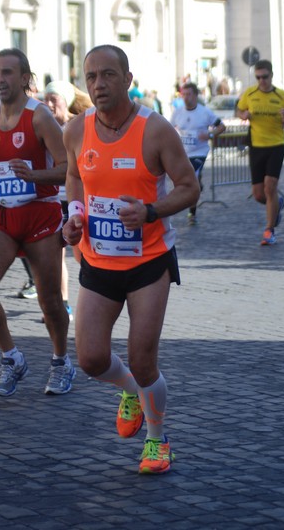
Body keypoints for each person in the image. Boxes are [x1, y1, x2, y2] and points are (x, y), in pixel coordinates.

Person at [62, 44, 200, 474]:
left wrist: (151, 212)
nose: (99, 84)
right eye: (91, 77)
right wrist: (74, 215)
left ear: (127, 78)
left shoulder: (155, 130)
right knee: (90, 360)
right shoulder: (76, 130)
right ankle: (129, 392)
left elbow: (189, 186)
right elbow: (73, 175)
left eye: (108, 75)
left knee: (143, 359)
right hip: (97, 261)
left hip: (147, 262)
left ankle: (158, 440)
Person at [0, 48, 75, 397]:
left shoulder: (40, 117)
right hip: (1, 215)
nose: (0, 79)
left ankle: (60, 361)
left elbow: (68, 170)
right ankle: (11, 357)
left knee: (51, 301)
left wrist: (34, 174)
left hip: (40, 214)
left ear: (25, 78)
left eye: (8, 72)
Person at [17, 80, 91, 321]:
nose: (48, 104)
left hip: (78, 200)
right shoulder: (41, 126)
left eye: (54, 99)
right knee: (55, 257)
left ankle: (96, 295)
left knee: (83, 255)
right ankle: (64, 305)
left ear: (66, 101)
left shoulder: (79, 126)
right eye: (45, 98)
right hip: (51, 202)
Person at [236, 59, 284, 245]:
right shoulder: (250, 93)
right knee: (259, 195)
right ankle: (277, 204)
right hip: (256, 146)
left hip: (276, 145)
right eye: (258, 77)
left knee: (270, 185)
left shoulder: (282, 95)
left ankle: (269, 231)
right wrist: (243, 115)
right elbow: (239, 110)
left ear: (271, 75)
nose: (262, 80)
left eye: (265, 77)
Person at [170, 82, 226, 225]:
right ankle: (198, 186)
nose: (186, 98)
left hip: (200, 152)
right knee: (192, 180)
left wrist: (210, 135)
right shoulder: (178, 112)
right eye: (184, 95)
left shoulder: (204, 112)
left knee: (191, 177)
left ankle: (191, 214)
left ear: (195, 95)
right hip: (183, 152)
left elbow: (221, 126)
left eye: (189, 94)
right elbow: (169, 129)